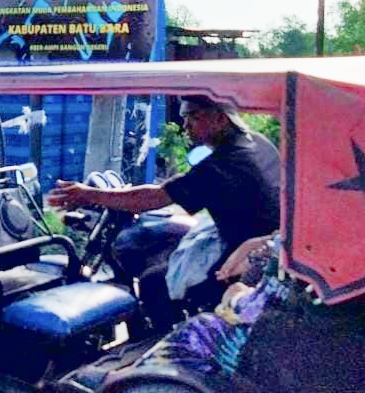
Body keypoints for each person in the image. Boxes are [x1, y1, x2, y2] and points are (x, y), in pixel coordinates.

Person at [48, 94, 281, 331]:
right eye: (184, 117)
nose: (185, 125)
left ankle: (161, 343)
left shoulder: (222, 166)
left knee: (152, 281)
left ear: (221, 119)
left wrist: (87, 194)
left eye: (193, 116)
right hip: (268, 246)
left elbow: (154, 198)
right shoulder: (257, 143)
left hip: (244, 258)